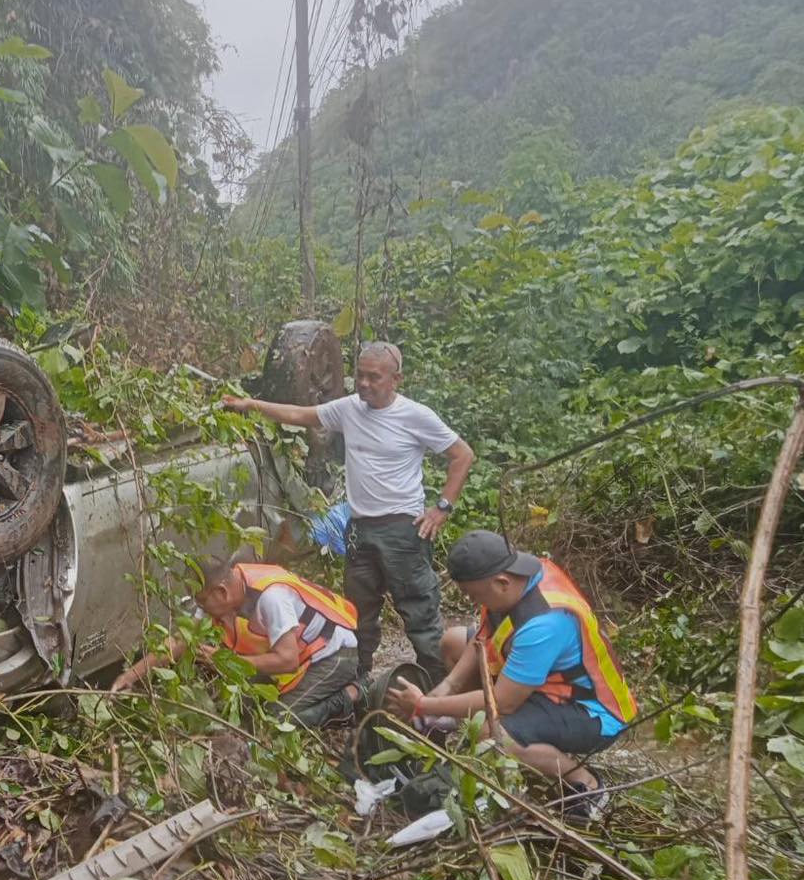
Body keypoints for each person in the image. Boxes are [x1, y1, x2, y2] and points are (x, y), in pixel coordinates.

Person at [224, 341, 473, 684]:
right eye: (360, 376)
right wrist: (252, 405)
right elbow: (301, 415)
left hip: (403, 529)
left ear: (396, 378)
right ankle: (357, 686)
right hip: (359, 530)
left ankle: (438, 696)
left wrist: (441, 508)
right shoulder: (349, 409)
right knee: (359, 614)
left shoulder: (416, 416)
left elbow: (462, 455)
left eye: (375, 377)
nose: (365, 384)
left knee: (420, 614)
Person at [385, 530, 638, 819]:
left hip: (593, 711)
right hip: (546, 683)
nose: (470, 599)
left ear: (501, 583)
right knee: (453, 641)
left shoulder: (544, 623)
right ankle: (460, 720)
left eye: (473, 594)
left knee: (493, 734)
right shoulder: (518, 575)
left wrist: (424, 705)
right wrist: (448, 686)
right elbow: (482, 638)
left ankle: (586, 783)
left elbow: (501, 703)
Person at [112, 555, 362, 727]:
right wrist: (131, 675)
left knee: (276, 722)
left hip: (334, 654)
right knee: (238, 710)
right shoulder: (228, 591)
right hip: (298, 658)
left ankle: (351, 695)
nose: (201, 609)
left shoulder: (271, 598)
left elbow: (287, 660)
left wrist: (228, 662)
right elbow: (180, 639)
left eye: (202, 602)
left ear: (221, 592)